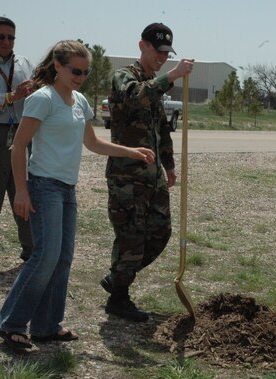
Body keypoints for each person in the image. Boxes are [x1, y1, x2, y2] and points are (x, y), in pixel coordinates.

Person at [0, 40, 155, 349]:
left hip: (66, 189)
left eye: (86, 71)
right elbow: (17, 148)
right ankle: (11, 323)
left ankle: (46, 327)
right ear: (58, 66)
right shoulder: (43, 99)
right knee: (45, 257)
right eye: (75, 70)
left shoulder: (80, 101)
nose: (80, 76)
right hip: (43, 187)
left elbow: (93, 144)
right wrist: (21, 192)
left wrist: (131, 151)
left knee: (63, 258)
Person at [100, 22, 193, 322]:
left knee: (160, 233)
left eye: (167, 53)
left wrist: (170, 166)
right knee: (130, 237)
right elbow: (133, 96)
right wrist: (173, 76)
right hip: (127, 177)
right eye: (157, 51)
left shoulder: (156, 83)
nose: (162, 57)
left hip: (152, 177)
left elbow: (161, 130)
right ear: (142, 46)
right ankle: (119, 297)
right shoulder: (124, 76)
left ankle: (117, 277)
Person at [0, 17, 34, 271]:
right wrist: (10, 97)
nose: (6, 42)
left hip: (22, 134)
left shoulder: (24, 64)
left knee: (24, 191)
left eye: (11, 37)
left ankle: (32, 251)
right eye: (1, 36)